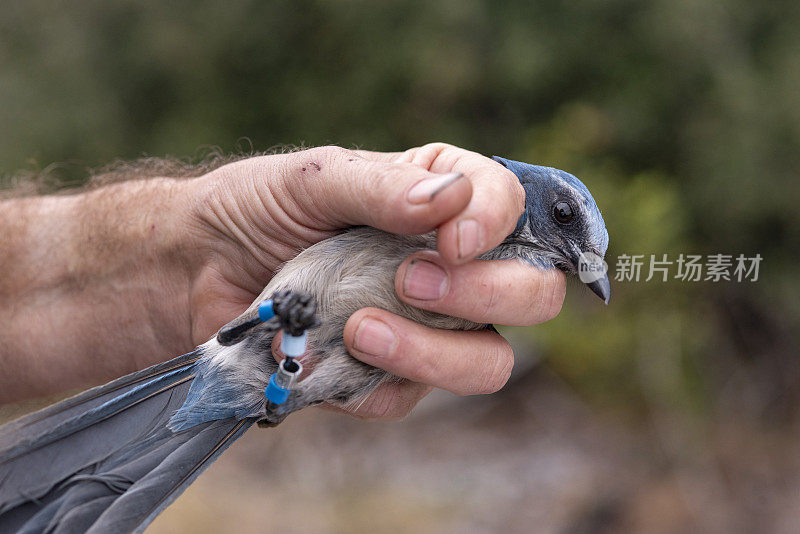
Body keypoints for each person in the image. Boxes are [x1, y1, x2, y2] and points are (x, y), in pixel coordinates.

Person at [0, 143, 565, 419]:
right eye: (564, 220)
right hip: (251, 340)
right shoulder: (458, 194)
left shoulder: (505, 271)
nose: (572, 257)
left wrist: (182, 273)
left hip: (258, 364)